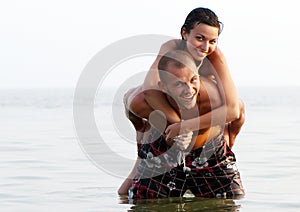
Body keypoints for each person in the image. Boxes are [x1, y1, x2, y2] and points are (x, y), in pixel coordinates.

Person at [118, 7, 245, 195]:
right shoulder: (171, 48)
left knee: (240, 107)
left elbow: (234, 110)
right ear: (184, 34)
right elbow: (149, 90)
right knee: (135, 99)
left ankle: (227, 141)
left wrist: (187, 126)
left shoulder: (215, 57)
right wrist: (178, 125)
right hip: (168, 114)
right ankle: (141, 138)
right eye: (199, 38)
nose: (205, 47)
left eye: (212, 41)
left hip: (204, 124)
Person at [128, 50, 244, 199]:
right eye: (179, 84)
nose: (189, 90)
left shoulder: (214, 97)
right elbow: (131, 111)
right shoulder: (142, 101)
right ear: (163, 86)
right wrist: (141, 134)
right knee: (139, 200)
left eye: (193, 80)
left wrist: (230, 139)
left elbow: (238, 111)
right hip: (162, 150)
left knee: (233, 199)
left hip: (209, 150)